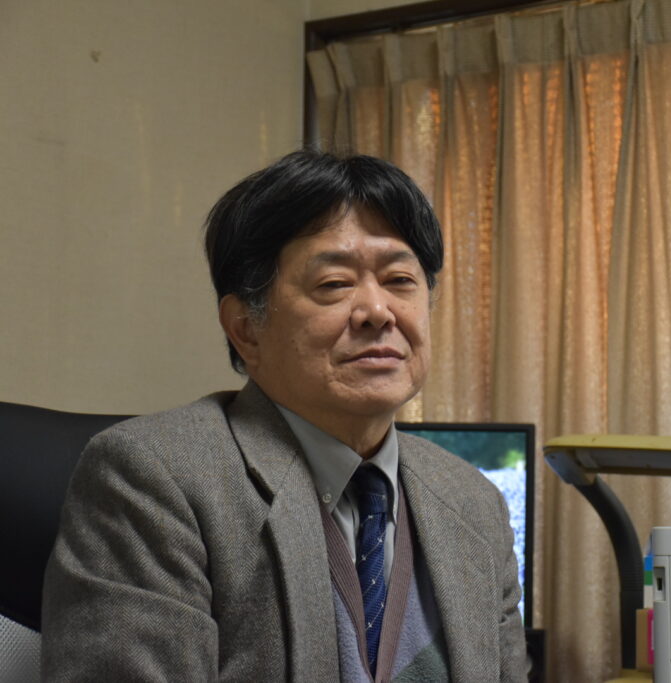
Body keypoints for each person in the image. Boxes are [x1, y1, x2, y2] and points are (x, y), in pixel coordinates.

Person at [41, 151, 527, 681]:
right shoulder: (155, 480)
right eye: (334, 284)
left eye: (400, 280)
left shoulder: (473, 503)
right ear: (245, 329)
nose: (378, 311)